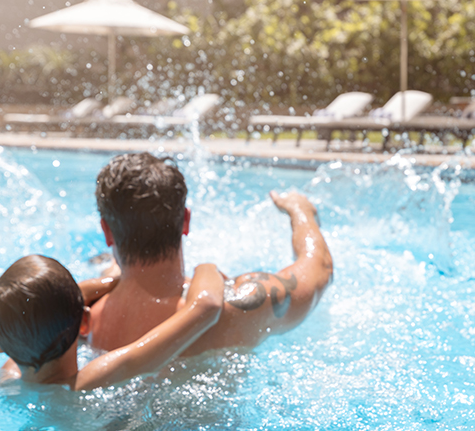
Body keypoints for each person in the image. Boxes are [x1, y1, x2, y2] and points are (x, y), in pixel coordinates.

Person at [87, 152, 333, 356]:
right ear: (186, 220)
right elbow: (318, 267)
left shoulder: (82, 320)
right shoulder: (238, 307)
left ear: (106, 231)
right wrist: (301, 211)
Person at [0, 254, 224, 391]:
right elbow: (206, 307)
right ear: (85, 323)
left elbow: (27, 320)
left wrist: (101, 284)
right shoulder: (89, 382)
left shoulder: (8, 379)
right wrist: (207, 267)